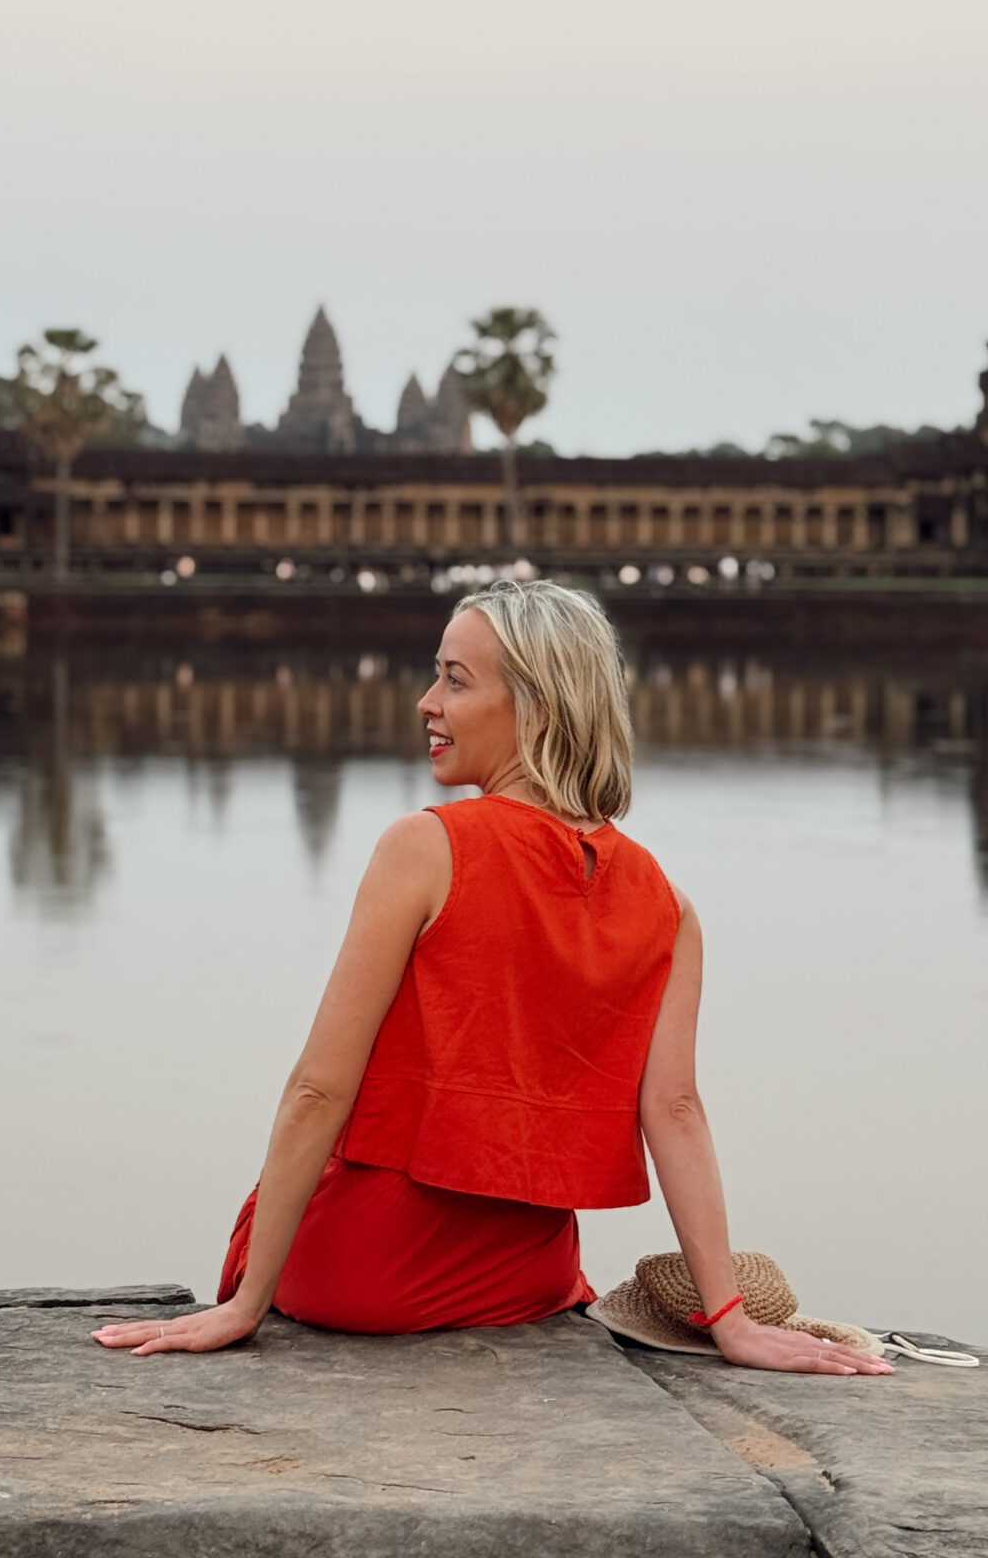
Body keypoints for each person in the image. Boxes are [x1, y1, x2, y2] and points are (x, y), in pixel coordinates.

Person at [95, 581, 890, 1376]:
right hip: (530, 1278)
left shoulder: (426, 847)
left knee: (291, 1195)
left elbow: (317, 1090)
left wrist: (244, 1305)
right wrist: (731, 1322)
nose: (425, 702)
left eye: (455, 679)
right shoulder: (666, 904)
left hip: (361, 1274)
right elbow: (675, 1110)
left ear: (536, 708)